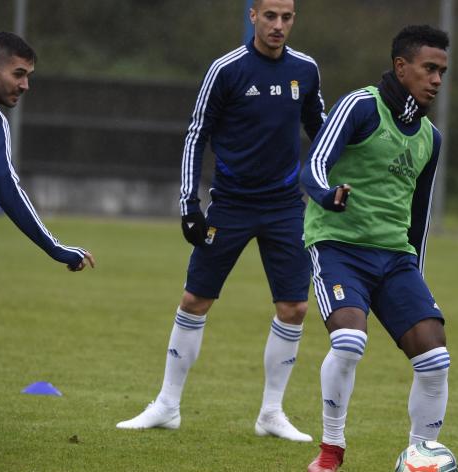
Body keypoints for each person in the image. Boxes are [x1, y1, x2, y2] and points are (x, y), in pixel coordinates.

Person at [116, 0, 325, 441]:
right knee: (195, 300)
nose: (278, 25)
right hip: (230, 205)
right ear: (253, 16)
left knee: (295, 307)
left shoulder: (305, 69)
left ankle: (272, 412)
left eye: (287, 17)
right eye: (270, 16)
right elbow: (197, 133)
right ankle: (167, 405)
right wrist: (189, 203)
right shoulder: (226, 69)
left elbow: (322, 131)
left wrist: (330, 184)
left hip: (287, 206)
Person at [299, 24, 457, 472]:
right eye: (429, 68)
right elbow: (311, 166)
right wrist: (329, 196)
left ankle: (422, 458)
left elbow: (419, 217)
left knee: (434, 357)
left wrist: (416, 280)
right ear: (401, 67)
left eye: (443, 72)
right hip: (339, 247)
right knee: (348, 340)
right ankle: (331, 447)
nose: (436, 79)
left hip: (395, 261)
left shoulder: (430, 137)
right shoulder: (361, 106)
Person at [0, 31, 94, 272]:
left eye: (28, 76)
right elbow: (7, 188)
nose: (25, 85)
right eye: (18, 74)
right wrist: (56, 248)